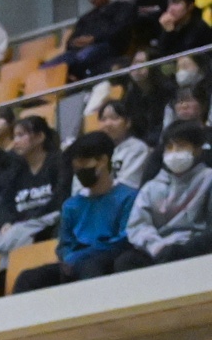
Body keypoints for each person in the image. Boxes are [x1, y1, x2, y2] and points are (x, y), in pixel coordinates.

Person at [13, 130, 137, 288]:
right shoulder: (72, 205)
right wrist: (70, 258)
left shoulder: (128, 197)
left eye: (84, 163)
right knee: (28, 278)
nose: (79, 170)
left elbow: (124, 239)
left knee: (91, 267)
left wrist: (83, 255)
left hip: (108, 259)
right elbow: (64, 245)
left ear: (103, 161)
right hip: (75, 262)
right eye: (76, 166)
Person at [117, 120, 212, 266]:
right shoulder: (151, 187)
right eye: (169, 147)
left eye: (181, 146)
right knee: (126, 261)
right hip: (158, 249)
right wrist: (157, 247)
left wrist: (185, 249)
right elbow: (138, 225)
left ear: (198, 149)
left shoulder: (208, 178)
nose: (174, 152)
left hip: (195, 248)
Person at [0, 116, 70, 255]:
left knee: (17, 234)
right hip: (21, 225)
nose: (15, 141)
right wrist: (7, 222)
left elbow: (61, 198)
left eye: (21, 135)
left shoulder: (58, 163)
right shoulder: (17, 169)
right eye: (14, 137)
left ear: (40, 137)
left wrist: (27, 220)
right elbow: (5, 201)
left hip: (49, 220)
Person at [53, 0, 139, 80]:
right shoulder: (85, 18)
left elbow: (119, 29)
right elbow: (71, 40)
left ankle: (73, 74)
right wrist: (75, 42)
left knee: (82, 56)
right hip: (79, 51)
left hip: (109, 46)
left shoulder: (121, 7)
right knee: (50, 65)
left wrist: (94, 39)